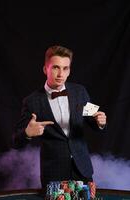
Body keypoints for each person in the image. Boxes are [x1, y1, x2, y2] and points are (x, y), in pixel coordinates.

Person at [13, 45, 107, 199]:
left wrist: (100, 122)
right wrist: (27, 134)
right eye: (56, 67)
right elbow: (16, 142)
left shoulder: (80, 92)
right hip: (54, 175)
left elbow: (93, 121)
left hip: (82, 170)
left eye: (65, 68)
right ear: (45, 69)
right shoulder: (31, 101)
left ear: (69, 70)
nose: (60, 74)